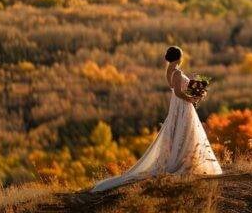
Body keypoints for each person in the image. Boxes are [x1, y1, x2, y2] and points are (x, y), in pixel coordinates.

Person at [91, 46, 221, 192]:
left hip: (176, 105)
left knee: (179, 131)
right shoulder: (177, 72)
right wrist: (191, 98)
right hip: (182, 105)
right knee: (185, 131)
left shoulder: (169, 71)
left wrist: (195, 86)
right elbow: (178, 92)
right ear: (179, 57)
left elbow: (177, 88)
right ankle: (183, 163)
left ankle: (185, 161)